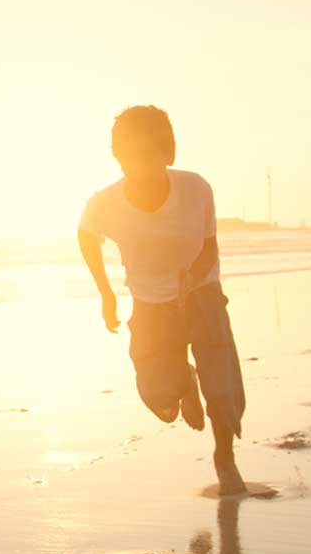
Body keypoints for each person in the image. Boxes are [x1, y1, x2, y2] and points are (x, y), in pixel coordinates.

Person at [77, 104, 248, 495]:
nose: (135, 166)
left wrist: (190, 282)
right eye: (126, 156)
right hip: (150, 303)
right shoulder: (105, 202)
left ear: (167, 153)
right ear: (116, 157)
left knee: (221, 388)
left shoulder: (195, 189)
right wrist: (105, 294)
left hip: (200, 293)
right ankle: (183, 382)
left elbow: (209, 246)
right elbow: (86, 236)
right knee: (159, 397)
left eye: (145, 154)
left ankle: (225, 458)